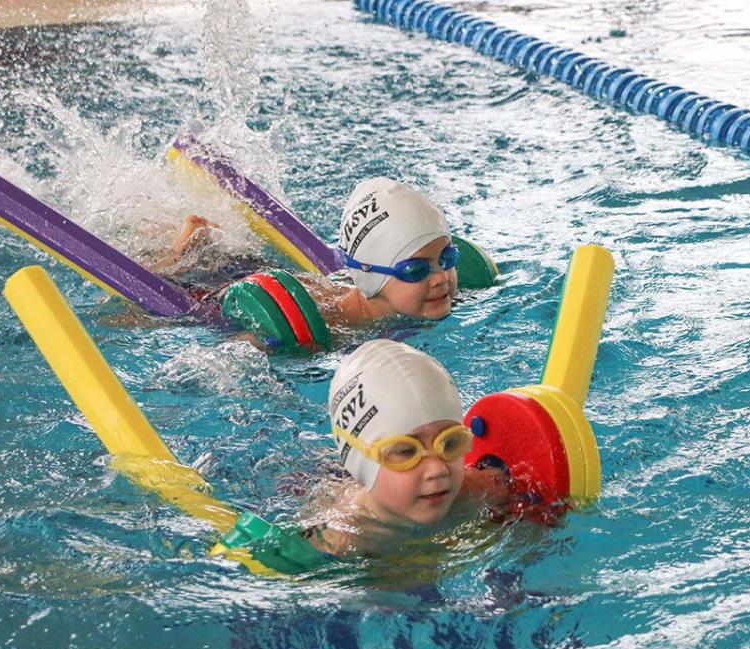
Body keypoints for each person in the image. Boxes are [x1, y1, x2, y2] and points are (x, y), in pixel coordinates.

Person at [302, 339, 515, 558]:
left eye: (450, 442)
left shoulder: (482, 491)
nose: (438, 469)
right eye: (407, 451)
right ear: (361, 462)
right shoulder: (338, 540)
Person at [163, 177, 461, 333]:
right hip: (228, 294)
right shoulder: (331, 327)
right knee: (174, 298)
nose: (440, 279)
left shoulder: (432, 298)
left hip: (290, 281)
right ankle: (188, 242)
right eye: (416, 271)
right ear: (371, 274)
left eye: (447, 259)